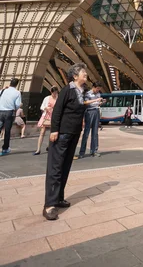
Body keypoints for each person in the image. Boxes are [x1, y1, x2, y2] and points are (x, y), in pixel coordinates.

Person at [43, 63, 88, 221]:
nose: (86, 74)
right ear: (75, 76)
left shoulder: (82, 91)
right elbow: (57, 110)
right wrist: (54, 130)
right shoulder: (67, 90)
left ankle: (59, 198)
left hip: (74, 133)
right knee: (55, 167)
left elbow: (79, 107)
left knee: (65, 166)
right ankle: (49, 205)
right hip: (62, 133)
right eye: (83, 72)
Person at [76, 82, 104, 158]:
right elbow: (85, 102)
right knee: (86, 132)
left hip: (96, 111)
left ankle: (94, 150)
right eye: (97, 88)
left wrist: (101, 102)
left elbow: (98, 103)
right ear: (93, 87)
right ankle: (82, 152)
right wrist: (95, 100)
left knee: (95, 132)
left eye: (99, 89)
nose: (98, 90)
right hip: (89, 112)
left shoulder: (98, 94)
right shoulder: (88, 93)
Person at [34, 87, 59, 155]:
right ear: (51, 92)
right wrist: (46, 108)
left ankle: (49, 146)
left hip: (53, 117)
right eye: (54, 93)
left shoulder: (58, 99)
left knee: (52, 132)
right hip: (46, 116)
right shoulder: (47, 98)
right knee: (42, 133)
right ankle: (38, 149)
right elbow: (42, 107)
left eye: (56, 93)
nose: (55, 94)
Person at [0, 78, 21, 156]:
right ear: (17, 84)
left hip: (0, 111)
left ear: (10, 83)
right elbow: (17, 104)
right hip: (9, 112)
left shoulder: (3, 91)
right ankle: (5, 148)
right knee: (7, 131)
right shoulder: (17, 92)